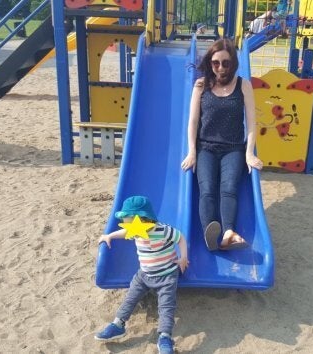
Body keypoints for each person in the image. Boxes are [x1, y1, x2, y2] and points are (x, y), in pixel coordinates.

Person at [181, 39, 264, 251]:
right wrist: (192, 152)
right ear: (210, 63)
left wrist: (248, 153)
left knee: (228, 188)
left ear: (233, 63)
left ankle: (228, 232)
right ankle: (210, 233)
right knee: (207, 189)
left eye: (225, 63)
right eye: (216, 62)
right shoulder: (201, 86)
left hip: (233, 148)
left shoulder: (243, 85)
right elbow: (192, 122)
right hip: (206, 147)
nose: (220, 67)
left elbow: (251, 122)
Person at [94, 195, 189, 354]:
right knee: (130, 298)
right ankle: (118, 324)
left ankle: (165, 337)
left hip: (167, 275)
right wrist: (109, 236)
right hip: (144, 274)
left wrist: (183, 258)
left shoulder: (163, 230)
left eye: (128, 221)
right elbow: (125, 232)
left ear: (143, 220)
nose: (126, 225)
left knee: (166, 306)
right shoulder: (135, 229)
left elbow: (180, 238)